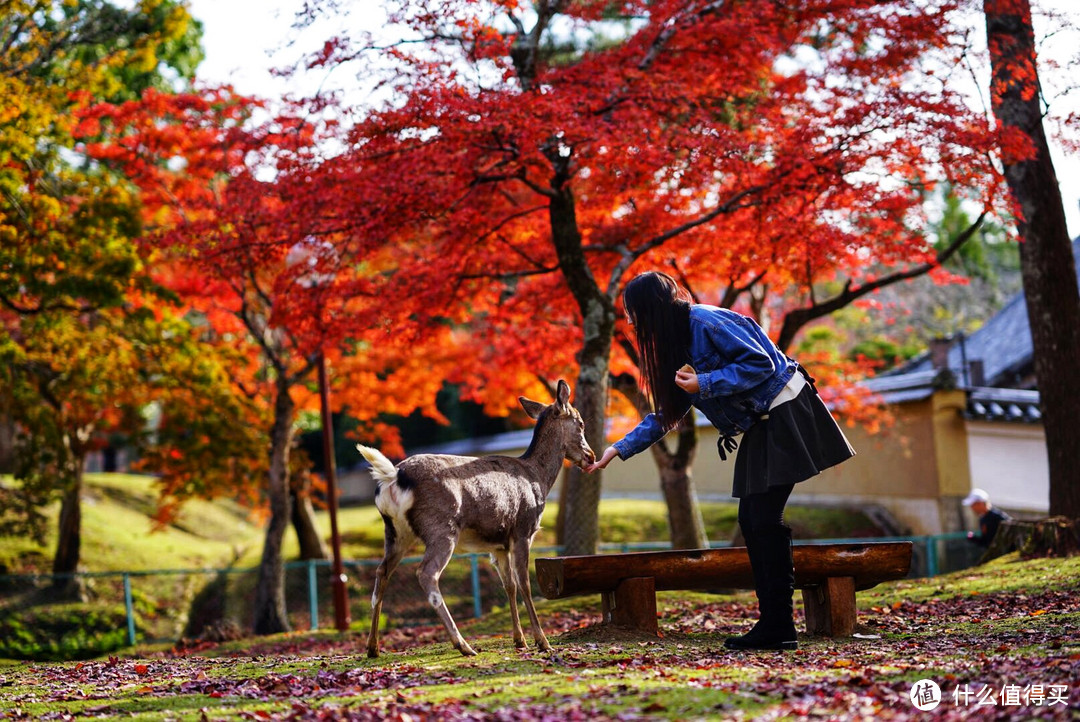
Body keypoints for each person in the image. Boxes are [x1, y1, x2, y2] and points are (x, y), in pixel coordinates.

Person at [587, 271, 855, 651]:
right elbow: (668, 412)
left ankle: (778, 626)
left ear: (651, 308)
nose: (630, 322)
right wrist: (618, 449)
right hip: (766, 420)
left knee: (760, 518)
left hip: (786, 409)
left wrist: (706, 383)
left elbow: (761, 364)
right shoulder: (677, 341)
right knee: (755, 519)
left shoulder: (706, 320)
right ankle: (777, 624)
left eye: (633, 312)